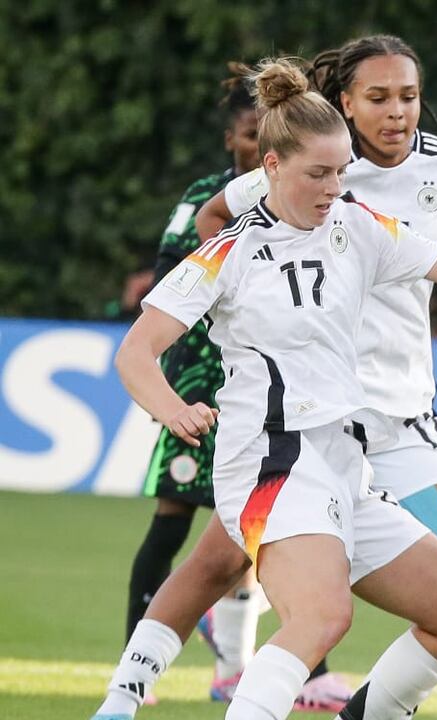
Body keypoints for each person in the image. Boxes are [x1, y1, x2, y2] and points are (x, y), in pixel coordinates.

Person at [94, 57, 437, 720]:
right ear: (272, 168)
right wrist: (172, 409)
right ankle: (127, 696)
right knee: (319, 616)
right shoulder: (229, 254)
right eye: (319, 173)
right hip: (269, 463)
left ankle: (132, 701)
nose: (334, 187)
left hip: (346, 461)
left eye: (342, 171)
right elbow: (136, 353)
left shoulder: (357, 226)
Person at [198, 35, 437, 590]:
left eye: (408, 96)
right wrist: (241, 315)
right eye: (378, 97)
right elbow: (213, 220)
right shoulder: (313, 160)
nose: (396, 112)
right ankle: (147, 668)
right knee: (222, 563)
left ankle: (303, 639)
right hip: (309, 416)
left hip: (400, 413)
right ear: (346, 103)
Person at [122, 62, 265, 707]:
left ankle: (234, 665)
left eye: (268, 132)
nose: (258, 144)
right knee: (172, 521)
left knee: (253, 531)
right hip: (197, 382)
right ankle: (135, 664)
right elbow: (168, 274)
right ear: (229, 139)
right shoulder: (206, 197)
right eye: (247, 133)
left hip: (259, 388)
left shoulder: (306, 196)